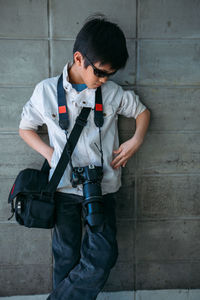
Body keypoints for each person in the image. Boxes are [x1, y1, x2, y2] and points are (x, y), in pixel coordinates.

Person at [19, 17, 150, 300]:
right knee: (65, 257)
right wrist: (50, 153)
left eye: (110, 75)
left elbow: (142, 112)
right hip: (63, 189)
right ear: (79, 59)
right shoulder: (46, 92)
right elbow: (25, 128)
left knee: (103, 255)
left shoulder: (112, 93)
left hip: (103, 188)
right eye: (101, 73)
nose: (104, 80)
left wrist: (135, 140)